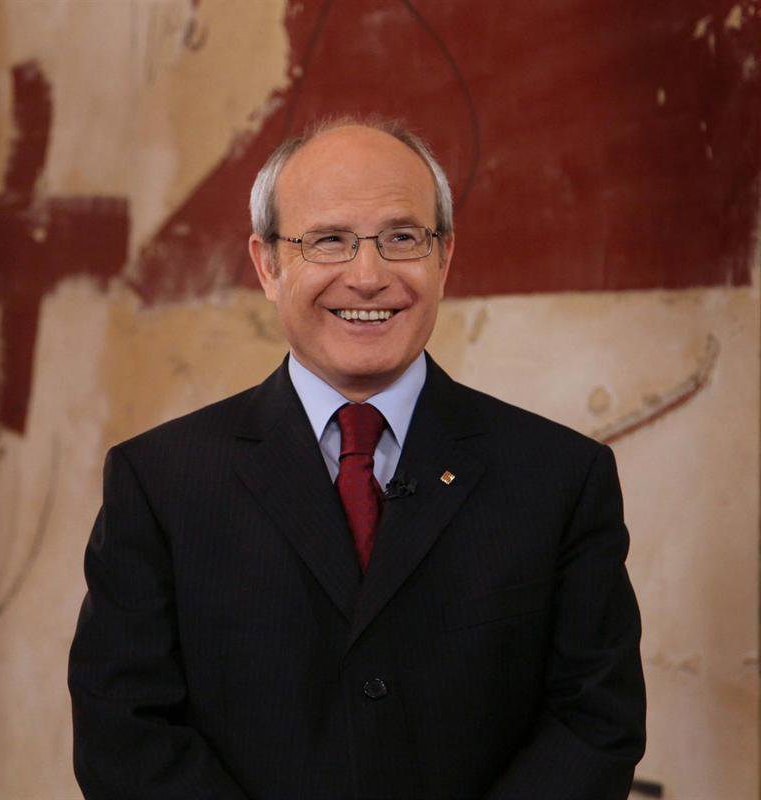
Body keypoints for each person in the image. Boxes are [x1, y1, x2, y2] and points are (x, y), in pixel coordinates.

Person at [68, 118, 645, 799]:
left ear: (444, 258)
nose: (368, 277)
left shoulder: (558, 478)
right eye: (329, 241)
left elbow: (593, 721)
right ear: (267, 264)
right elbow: (124, 733)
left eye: (402, 238)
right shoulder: (161, 484)